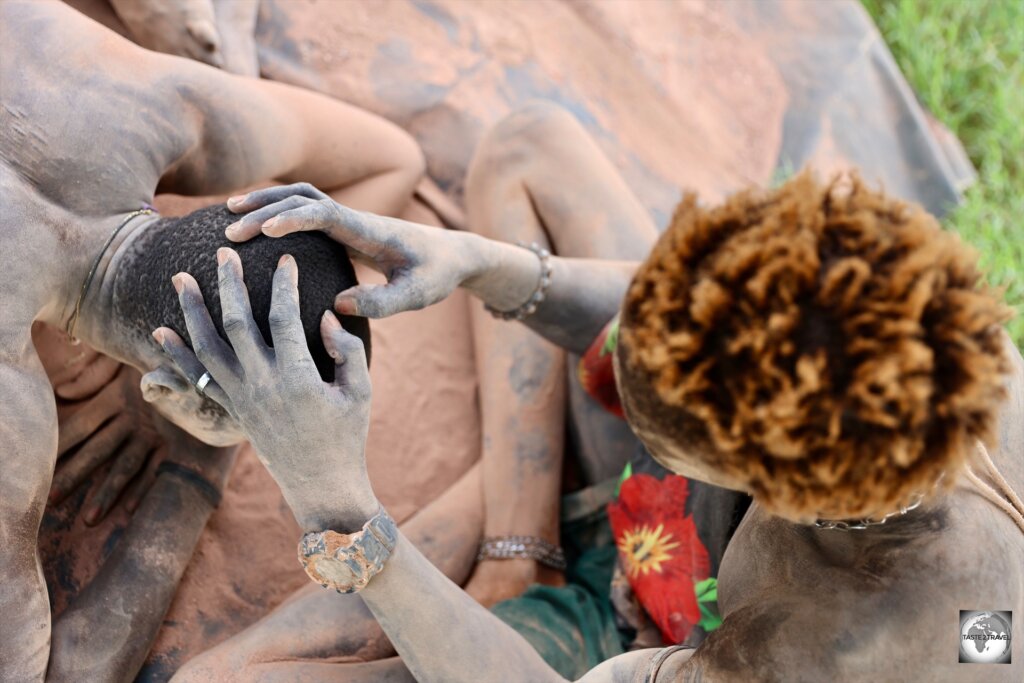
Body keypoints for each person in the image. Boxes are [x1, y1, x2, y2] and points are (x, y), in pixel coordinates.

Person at [163, 159, 1022, 680]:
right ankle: (520, 531)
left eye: (654, 426)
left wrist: (339, 502)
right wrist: (476, 263)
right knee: (531, 149)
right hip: (700, 538)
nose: (609, 363)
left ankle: (518, 525)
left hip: (681, 634)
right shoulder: (916, 345)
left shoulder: (843, 650)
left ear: (772, 480)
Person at [0, 1, 423, 679]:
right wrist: (193, 473)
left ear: (239, 205)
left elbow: (390, 158)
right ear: (172, 395)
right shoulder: (12, 412)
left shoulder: (157, 101)